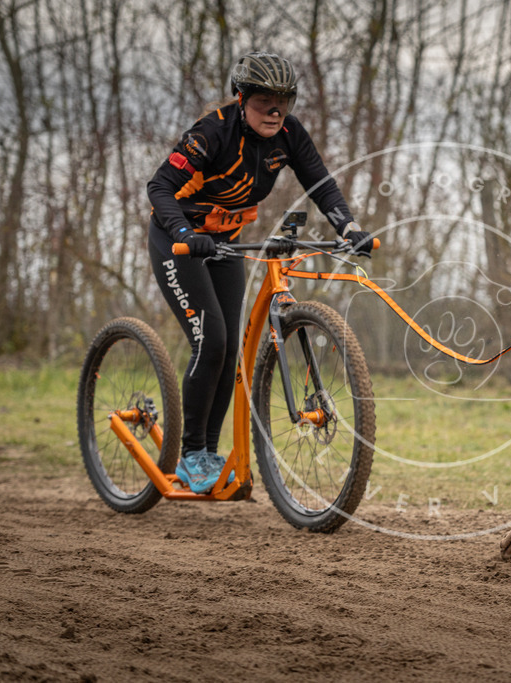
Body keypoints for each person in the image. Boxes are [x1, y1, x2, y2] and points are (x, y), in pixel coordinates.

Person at [147, 51, 373, 493]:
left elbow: (320, 182)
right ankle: (194, 453)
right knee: (210, 341)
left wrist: (349, 227)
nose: (275, 110)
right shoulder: (210, 133)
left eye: (284, 100)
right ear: (242, 97)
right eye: (265, 99)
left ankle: (208, 453)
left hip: (226, 240)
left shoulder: (288, 133)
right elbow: (160, 187)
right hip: (178, 241)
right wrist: (181, 230)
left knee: (230, 348)